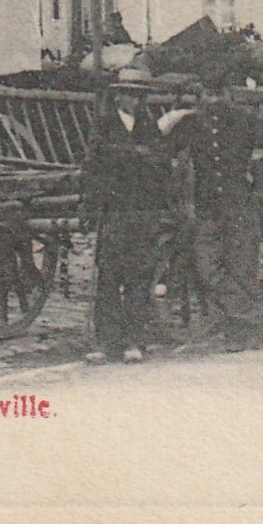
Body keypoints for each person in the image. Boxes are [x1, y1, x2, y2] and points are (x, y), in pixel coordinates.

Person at [168, 68, 263, 352]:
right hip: (207, 208)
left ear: (228, 94)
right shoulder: (190, 124)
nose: (213, 100)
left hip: (240, 205)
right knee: (206, 267)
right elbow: (165, 150)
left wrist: (258, 172)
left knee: (241, 267)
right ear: (200, 95)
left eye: (218, 94)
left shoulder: (245, 120)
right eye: (208, 94)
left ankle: (241, 330)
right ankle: (253, 315)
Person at [83, 69, 176, 364]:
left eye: (139, 95)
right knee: (109, 275)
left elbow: (162, 162)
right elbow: (95, 163)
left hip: (144, 209)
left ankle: (135, 340)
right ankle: (107, 341)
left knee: (139, 274)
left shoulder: (149, 126)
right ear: (118, 96)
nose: (133, 100)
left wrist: (131, 156)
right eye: (128, 94)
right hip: (115, 209)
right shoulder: (104, 124)